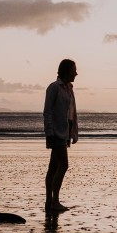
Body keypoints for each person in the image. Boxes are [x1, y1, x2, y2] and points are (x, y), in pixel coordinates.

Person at [43, 58, 78, 213]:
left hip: (64, 133)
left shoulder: (69, 88)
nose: (76, 73)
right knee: (63, 165)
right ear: (66, 70)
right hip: (56, 133)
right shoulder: (54, 87)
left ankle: (49, 201)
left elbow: (71, 113)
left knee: (53, 167)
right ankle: (54, 201)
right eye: (73, 70)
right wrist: (49, 133)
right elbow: (47, 112)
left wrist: (73, 132)